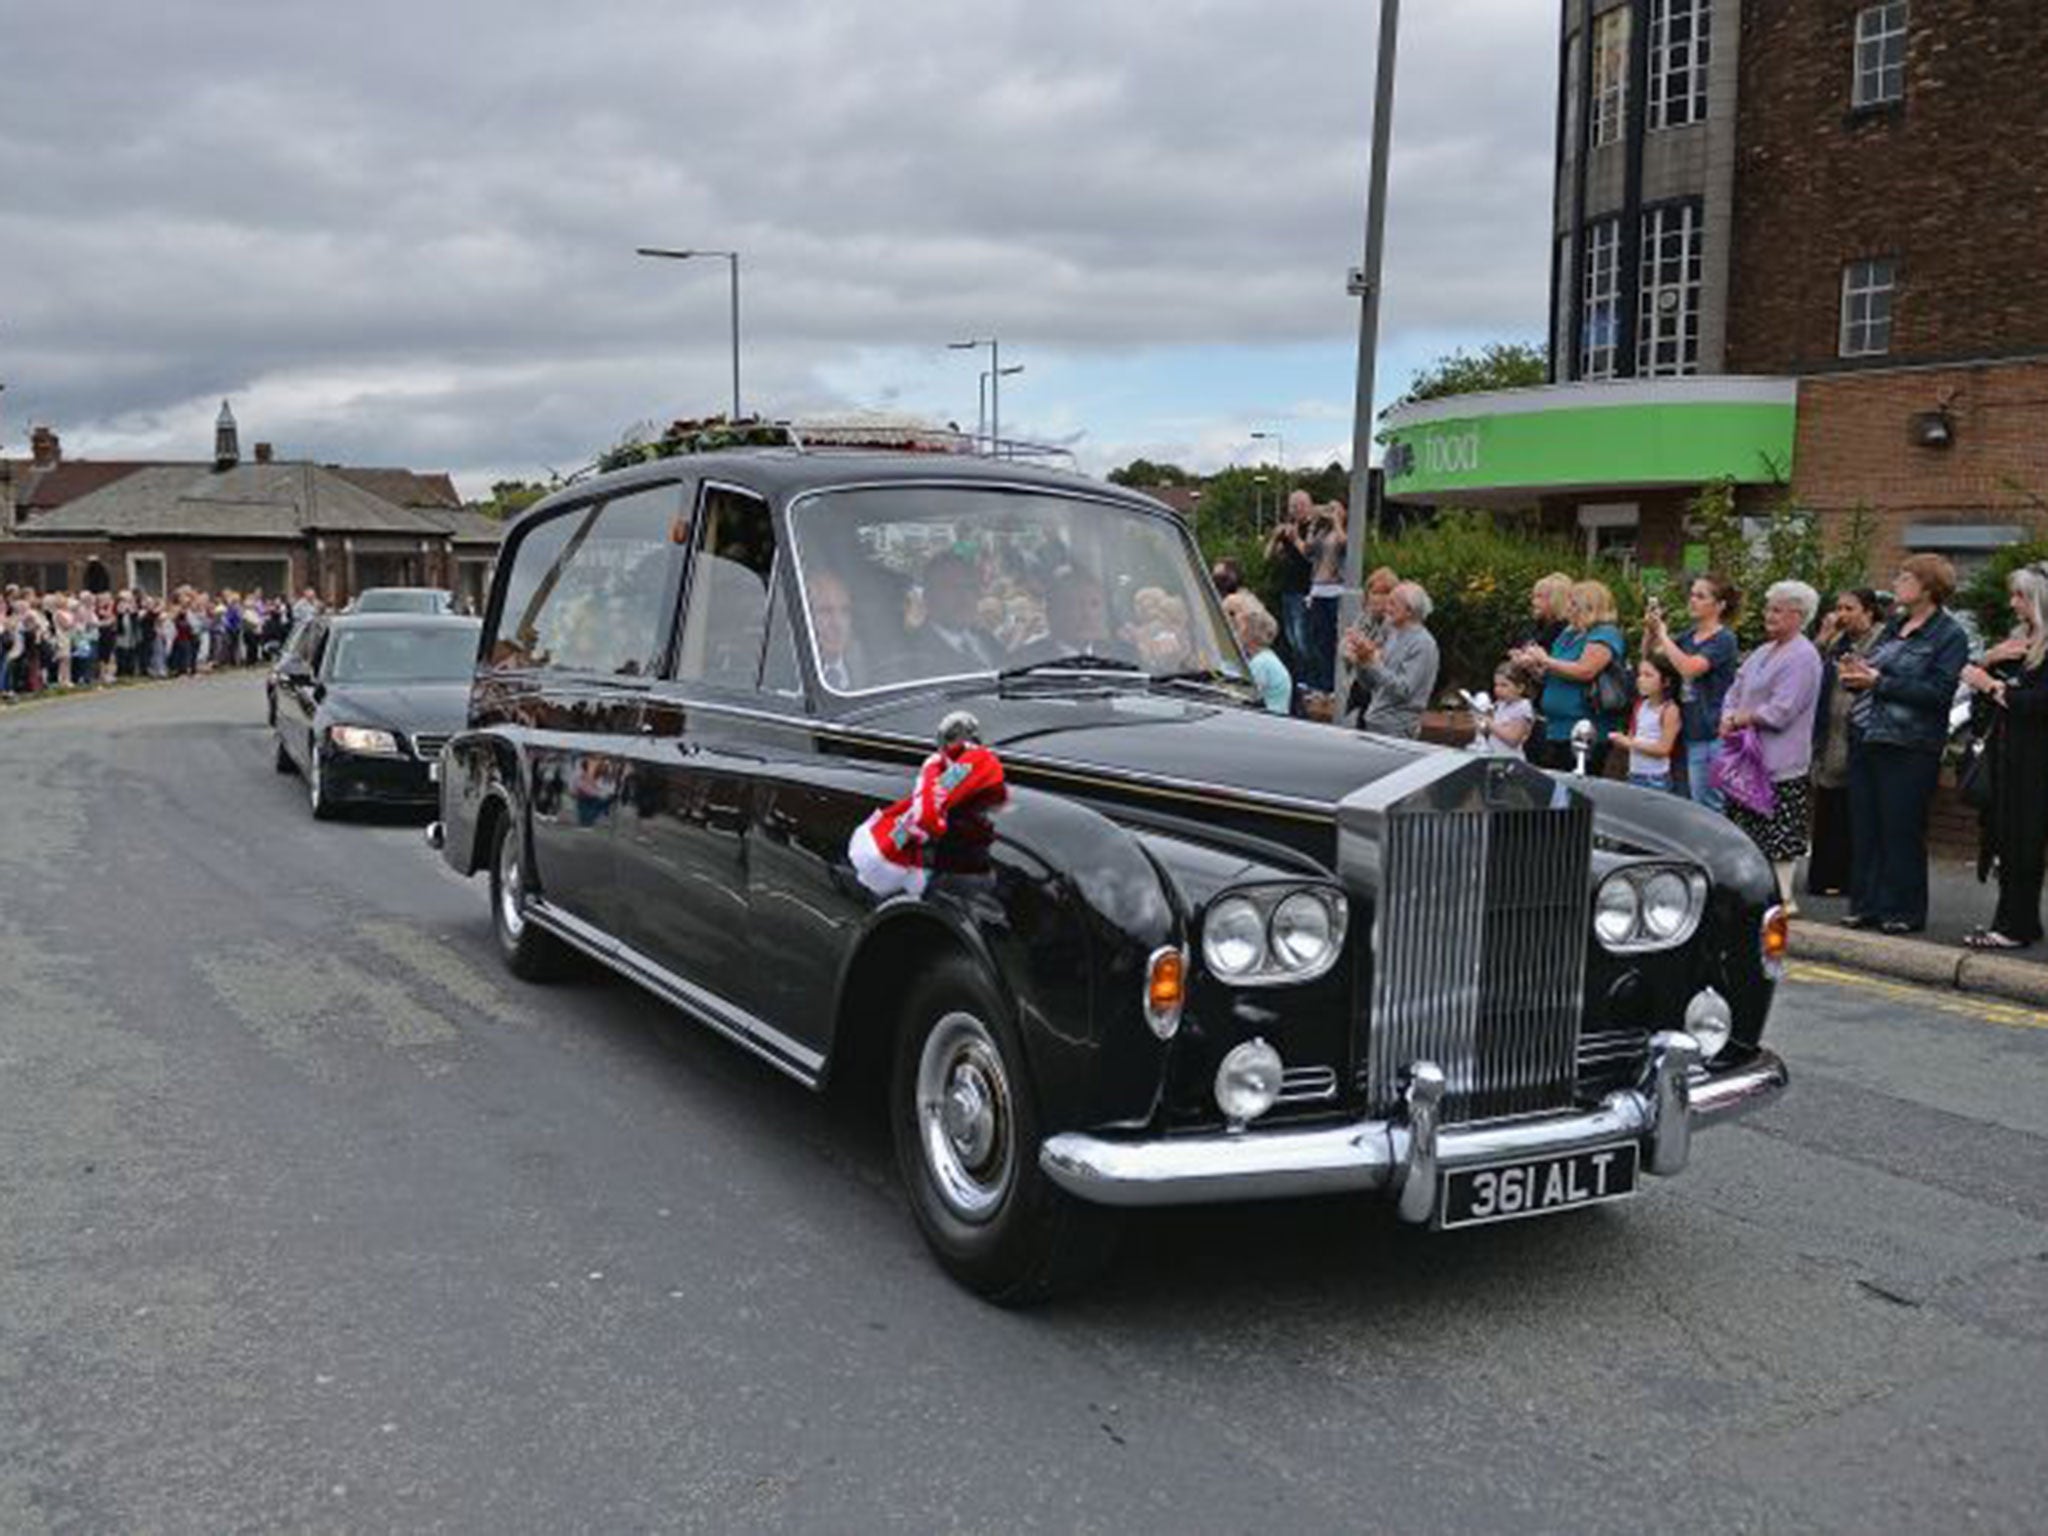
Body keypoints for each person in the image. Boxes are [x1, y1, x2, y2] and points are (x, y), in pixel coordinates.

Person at [1839, 554, 1970, 934]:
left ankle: (1903, 911)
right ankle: (1865, 905)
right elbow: (1876, 670)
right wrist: (1856, 672)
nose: (1896, 582)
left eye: (1905, 577)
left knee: (1900, 829)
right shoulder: (1896, 625)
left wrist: (1879, 682)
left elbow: (1940, 693)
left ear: (1928, 588)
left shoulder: (1949, 635)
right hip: (1867, 736)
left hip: (1910, 745)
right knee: (1866, 827)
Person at [1959, 563, 2048, 950]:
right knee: (2007, 842)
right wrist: (1990, 661)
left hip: (2037, 763)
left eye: (2020, 597)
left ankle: (2015, 926)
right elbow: (1982, 704)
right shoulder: (2020, 642)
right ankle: (2016, 922)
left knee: (2024, 843)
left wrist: (1992, 684)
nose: (2013, 604)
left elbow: (2037, 704)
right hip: (2008, 758)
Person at [1720, 582, 1825, 910]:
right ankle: (1751, 894)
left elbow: (1782, 710)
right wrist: (1727, 715)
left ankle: (1783, 898)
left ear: (1798, 615)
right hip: (1746, 758)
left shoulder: (1803, 656)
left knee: (1778, 830)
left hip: (1781, 760)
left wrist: (1740, 718)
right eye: (1769, 608)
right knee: (1745, 828)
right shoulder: (1763, 651)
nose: (1769, 615)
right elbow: (1734, 688)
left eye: (1777, 610)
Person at [1807, 588, 1883, 897]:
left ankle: (1849, 877)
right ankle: (1824, 876)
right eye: (1838, 607)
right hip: (1831, 731)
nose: (1842, 614)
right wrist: (1823, 638)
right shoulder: (1837, 640)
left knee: (1851, 809)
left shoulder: (1880, 641)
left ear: (1868, 612)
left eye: (1849, 608)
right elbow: (1809, 668)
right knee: (1827, 805)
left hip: (1859, 730)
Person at [1647, 574, 1740, 809]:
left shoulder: (1724, 639)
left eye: (1700, 596)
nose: (1692, 601)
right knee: (1686, 804)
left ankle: (1714, 848)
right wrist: (1651, 631)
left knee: (1708, 806)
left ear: (1719, 605)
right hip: (1686, 732)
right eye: (1691, 595)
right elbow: (1652, 656)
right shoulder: (1688, 636)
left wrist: (1664, 635)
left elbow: (1689, 668)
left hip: (1711, 734)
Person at [1516, 580, 1626, 775]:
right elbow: (1556, 671)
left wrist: (1546, 660)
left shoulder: (1605, 634)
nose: (1569, 608)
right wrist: (1535, 666)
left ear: (1590, 607)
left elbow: (1585, 671)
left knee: (1579, 790)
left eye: (1574, 603)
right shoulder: (1568, 634)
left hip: (1584, 728)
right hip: (1555, 727)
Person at [1351, 581, 1439, 740]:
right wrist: (1361, 660)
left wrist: (1372, 662)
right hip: (1374, 723)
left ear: (1409, 611)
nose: (1386, 608)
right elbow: (1371, 685)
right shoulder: (1392, 634)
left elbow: (1403, 691)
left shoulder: (1423, 644)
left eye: (1392, 604)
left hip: (1397, 730)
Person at [918, 553, 1001, 672]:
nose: (966, 597)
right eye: (953, 588)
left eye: (970, 587)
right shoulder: (915, 650)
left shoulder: (987, 639)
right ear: (928, 596)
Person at [1339, 565, 1400, 727]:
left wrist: (1364, 653)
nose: (1379, 598)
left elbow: (1386, 656)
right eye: (1375, 593)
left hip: (1383, 693)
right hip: (1361, 688)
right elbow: (1346, 648)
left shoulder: (1396, 623)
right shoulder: (1363, 619)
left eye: (1385, 593)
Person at [1613, 656, 1681, 791]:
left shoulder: (1669, 710)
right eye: (1640, 674)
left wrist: (1629, 743)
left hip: (1655, 778)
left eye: (1648, 675)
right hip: (1634, 773)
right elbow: (1633, 736)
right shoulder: (1640, 705)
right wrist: (1623, 741)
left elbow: (1663, 749)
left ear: (1666, 681)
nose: (1640, 680)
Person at [1302, 502, 1348, 694]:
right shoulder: (1322, 533)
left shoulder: (1341, 532)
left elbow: (1345, 545)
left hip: (1335, 589)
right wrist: (1313, 524)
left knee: (1332, 639)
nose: (1329, 513)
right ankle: (1319, 682)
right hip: (1317, 589)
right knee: (1317, 639)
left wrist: (1337, 520)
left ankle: (1332, 684)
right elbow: (1307, 550)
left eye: (1334, 509)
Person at [1265, 491, 1314, 667]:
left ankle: (1310, 678)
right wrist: (1274, 537)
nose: (1296, 509)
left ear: (1309, 506)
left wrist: (1295, 539)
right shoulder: (1288, 529)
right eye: (1293, 505)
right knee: (1291, 639)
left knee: (1303, 640)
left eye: (1301, 504)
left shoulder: (1313, 528)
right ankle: (1299, 676)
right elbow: (1268, 557)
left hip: (1304, 590)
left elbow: (1311, 556)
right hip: (1287, 589)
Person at [1223, 591, 1292, 715]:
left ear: (1251, 626)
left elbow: (1237, 697)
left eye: (1233, 617)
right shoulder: (1262, 658)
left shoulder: (1262, 663)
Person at [808, 569, 863, 692]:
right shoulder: (785, 676)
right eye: (825, 611)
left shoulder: (867, 666)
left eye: (845, 611)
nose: (838, 624)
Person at [1485, 661, 1538, 758]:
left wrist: (1490, 724)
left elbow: (1513, 739)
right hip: (1495, 757)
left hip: (1512, 761)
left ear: (1520, 688)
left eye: (1504, 685)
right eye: (1496, 685)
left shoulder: (1523, 707)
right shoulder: (1500, 704)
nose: (1498, 689)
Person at [1518, 572, 1574, 652]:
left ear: (1556, 600)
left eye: (1539, 597)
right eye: (1534, 596)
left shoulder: (1567, 630)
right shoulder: (1536, 623)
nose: (1534, 602)